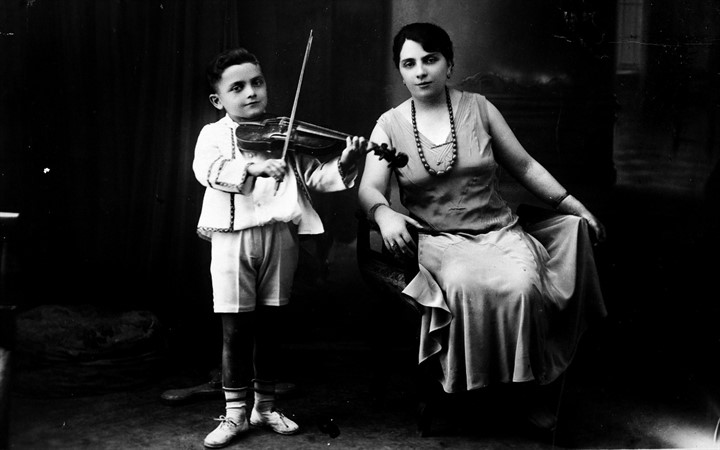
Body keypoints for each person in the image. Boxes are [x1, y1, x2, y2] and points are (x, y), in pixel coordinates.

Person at [358, 22, 607, 430]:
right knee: (460, 286)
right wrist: (383, 213)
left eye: (431, 59)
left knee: (524, 286)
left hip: (499, 232)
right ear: (400, 72)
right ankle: (460, 394)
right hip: (439, 241)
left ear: (449, 63)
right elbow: (370, 188)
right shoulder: (388, 125)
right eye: (410, 63)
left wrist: (573, 204)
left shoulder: (480, 108)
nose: (421, 71)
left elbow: (524, 165)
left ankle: (526, 392)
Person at [193, 47, 366, 448]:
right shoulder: (213, 135)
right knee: (235, 329)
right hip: (232, 238)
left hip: (281, 238)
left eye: (257, 82)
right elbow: (209, 171)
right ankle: (234, 414)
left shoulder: (284, 133)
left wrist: (347, 159)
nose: (251, 92)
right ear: (219, 100)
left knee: (271, 325)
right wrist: (252, 167)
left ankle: (265, 406)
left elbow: (316, 178)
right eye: (238, 87)